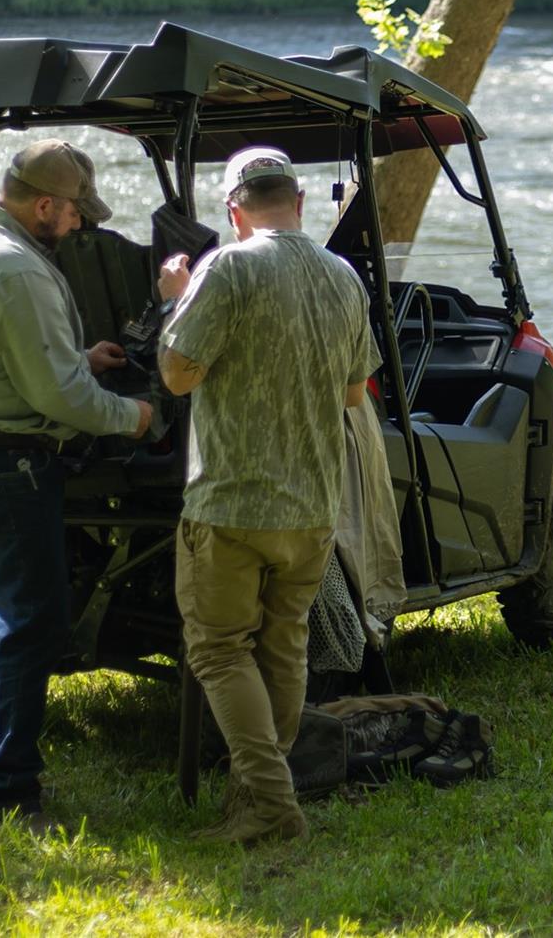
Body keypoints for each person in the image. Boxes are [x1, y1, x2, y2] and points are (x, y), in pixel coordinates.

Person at [0, 138, 154, 834]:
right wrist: (136, 416)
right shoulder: (17, 267)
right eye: (76, 213)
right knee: (31, 624)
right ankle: (9, 794)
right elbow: (59, 398)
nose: (81, 225)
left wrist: (76, 357)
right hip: (7, 463)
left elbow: (0, 350)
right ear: (46, 205)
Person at [156, 145, 377, 844]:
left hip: (231, 504)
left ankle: (273, 805)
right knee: (284, 649)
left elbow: (178, 375)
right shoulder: (343, 276)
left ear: (234, 211)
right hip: (312, 507)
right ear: (299, 202)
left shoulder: (226, 267)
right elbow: (353, 392)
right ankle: (256, 799)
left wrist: (178, 300)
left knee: (221, 651)